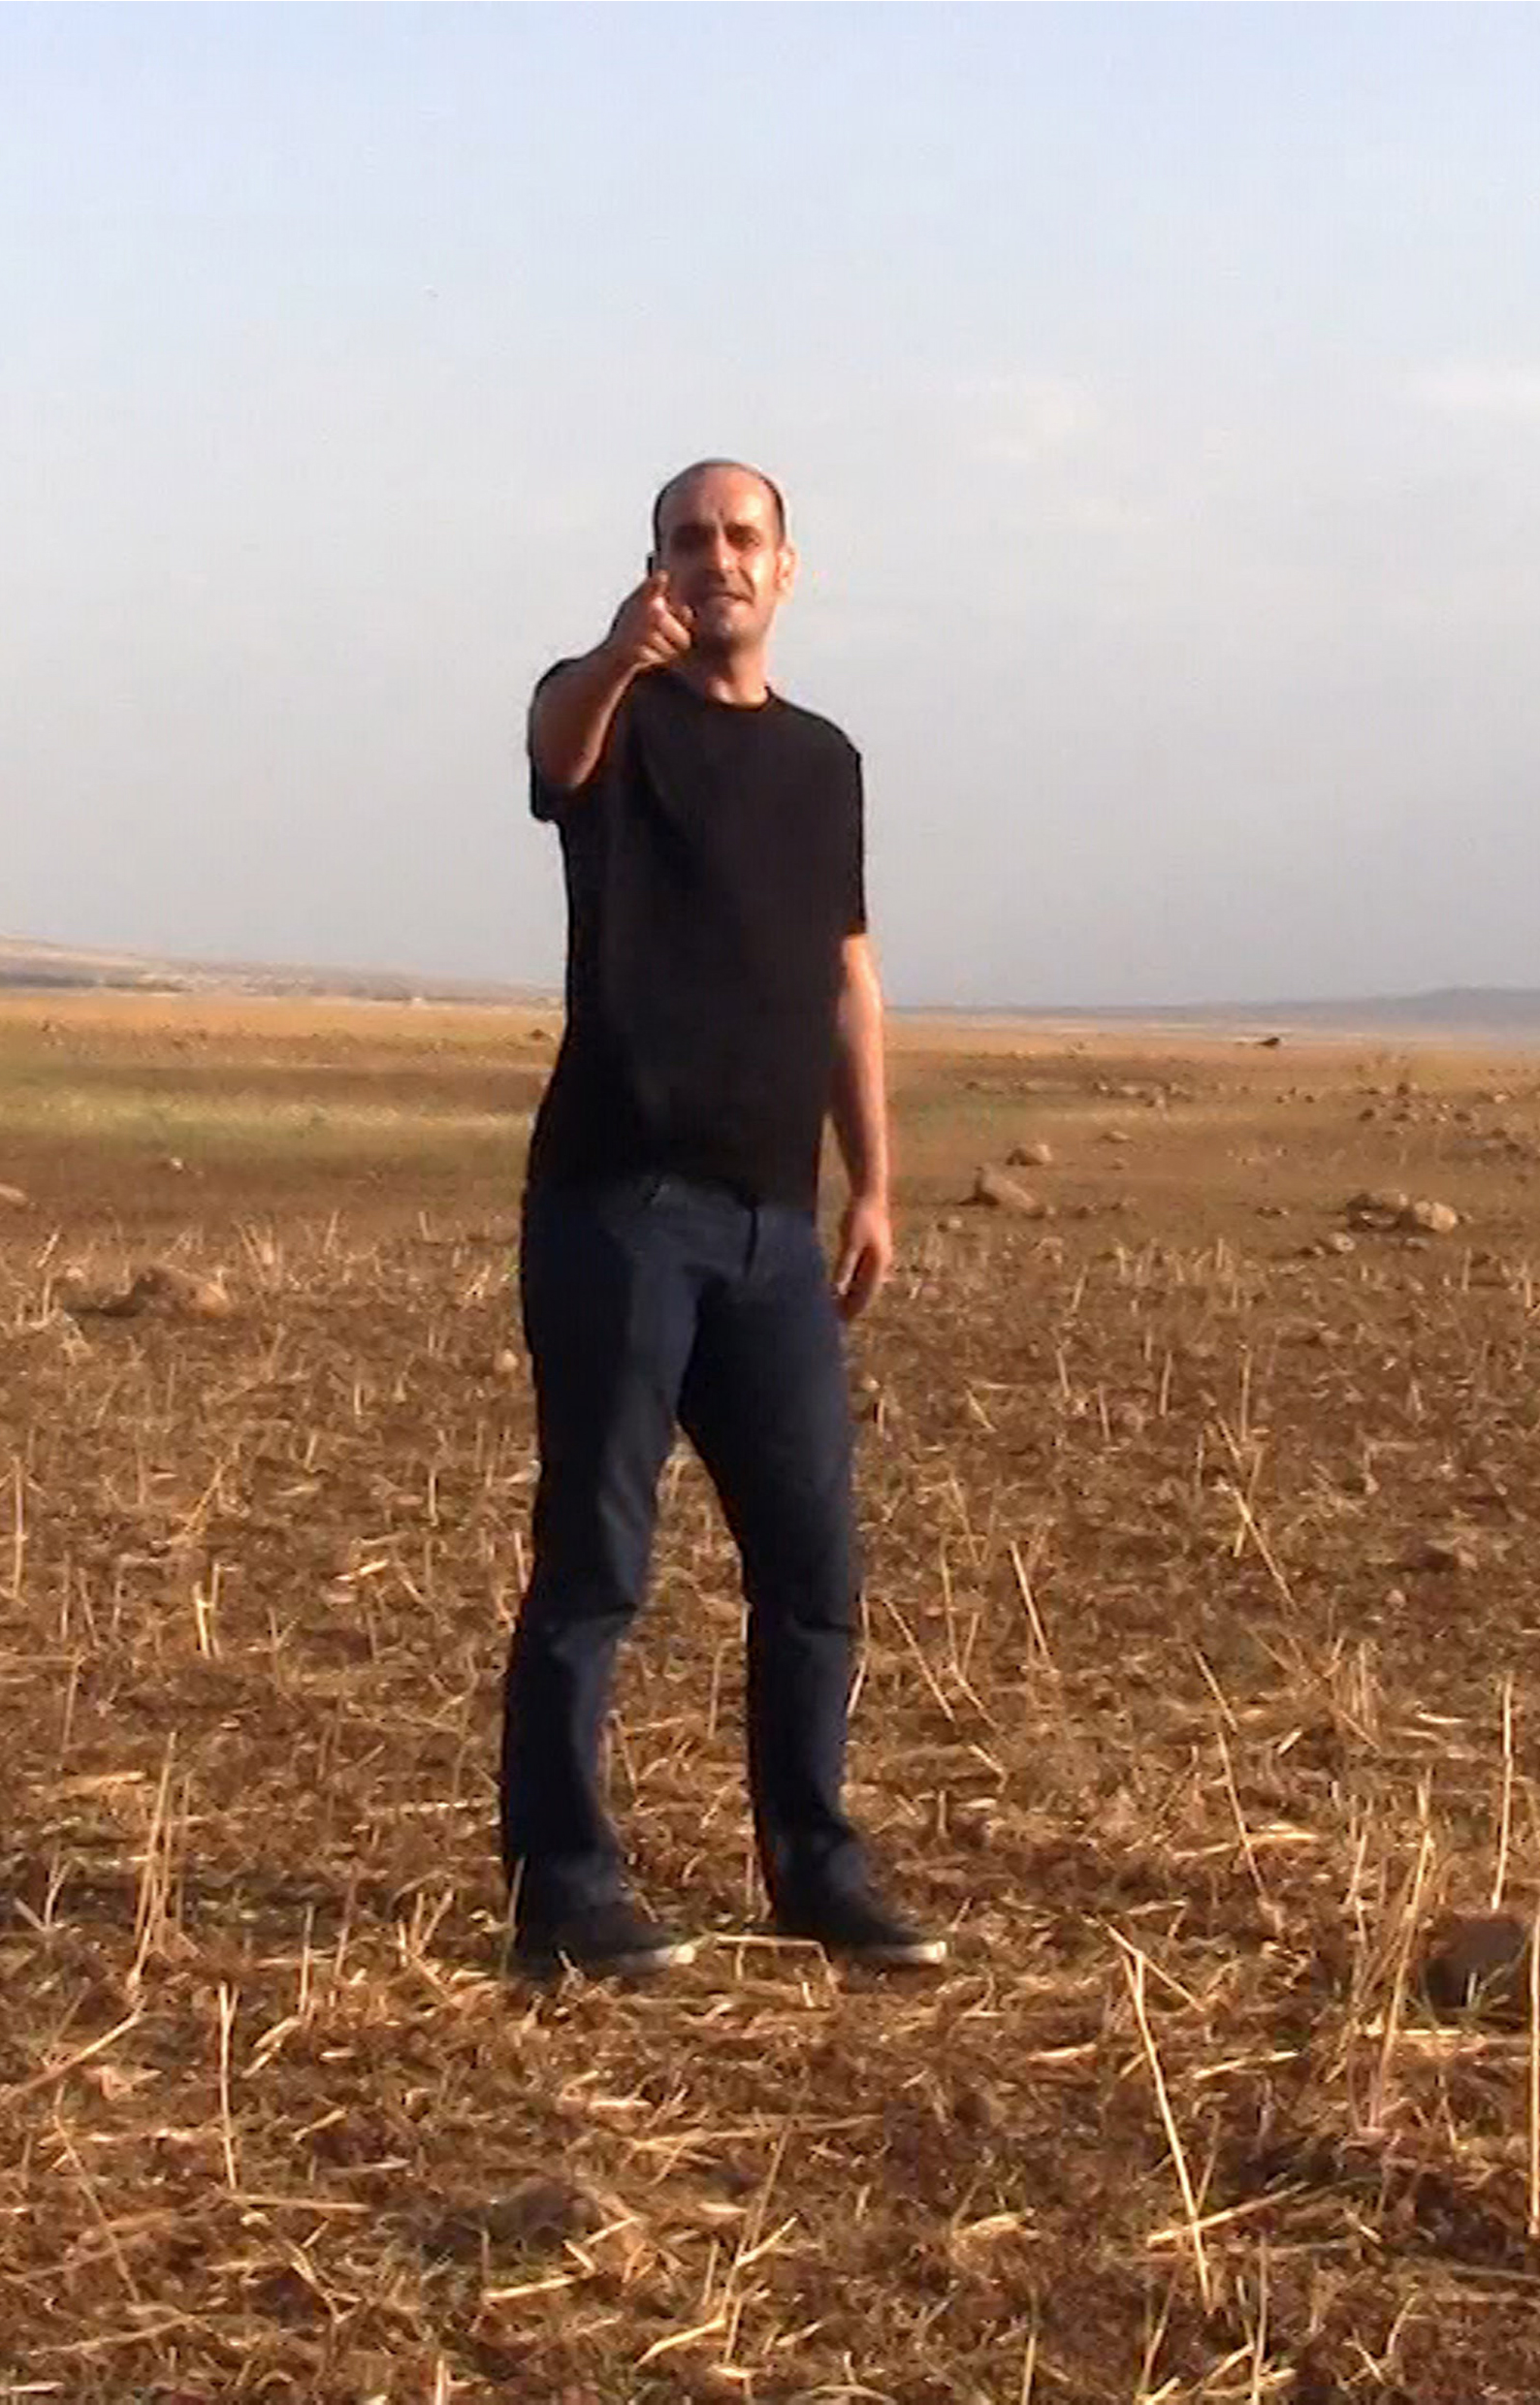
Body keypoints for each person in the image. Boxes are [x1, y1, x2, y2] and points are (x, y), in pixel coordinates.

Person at [499, 459, 943, 1979]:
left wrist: (871, 1180)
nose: (717, 561)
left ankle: (815, 1868)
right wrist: (615, 657)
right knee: (596, 1565)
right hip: (618, 1209)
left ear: (787, 567)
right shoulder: (612, 713)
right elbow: (556, 751)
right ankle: (565, 1891)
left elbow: (847, 978)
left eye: (742, 537)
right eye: (687, 542)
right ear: (656, 569)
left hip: (770, 1232)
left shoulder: (825, 763)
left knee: (815, 1569)